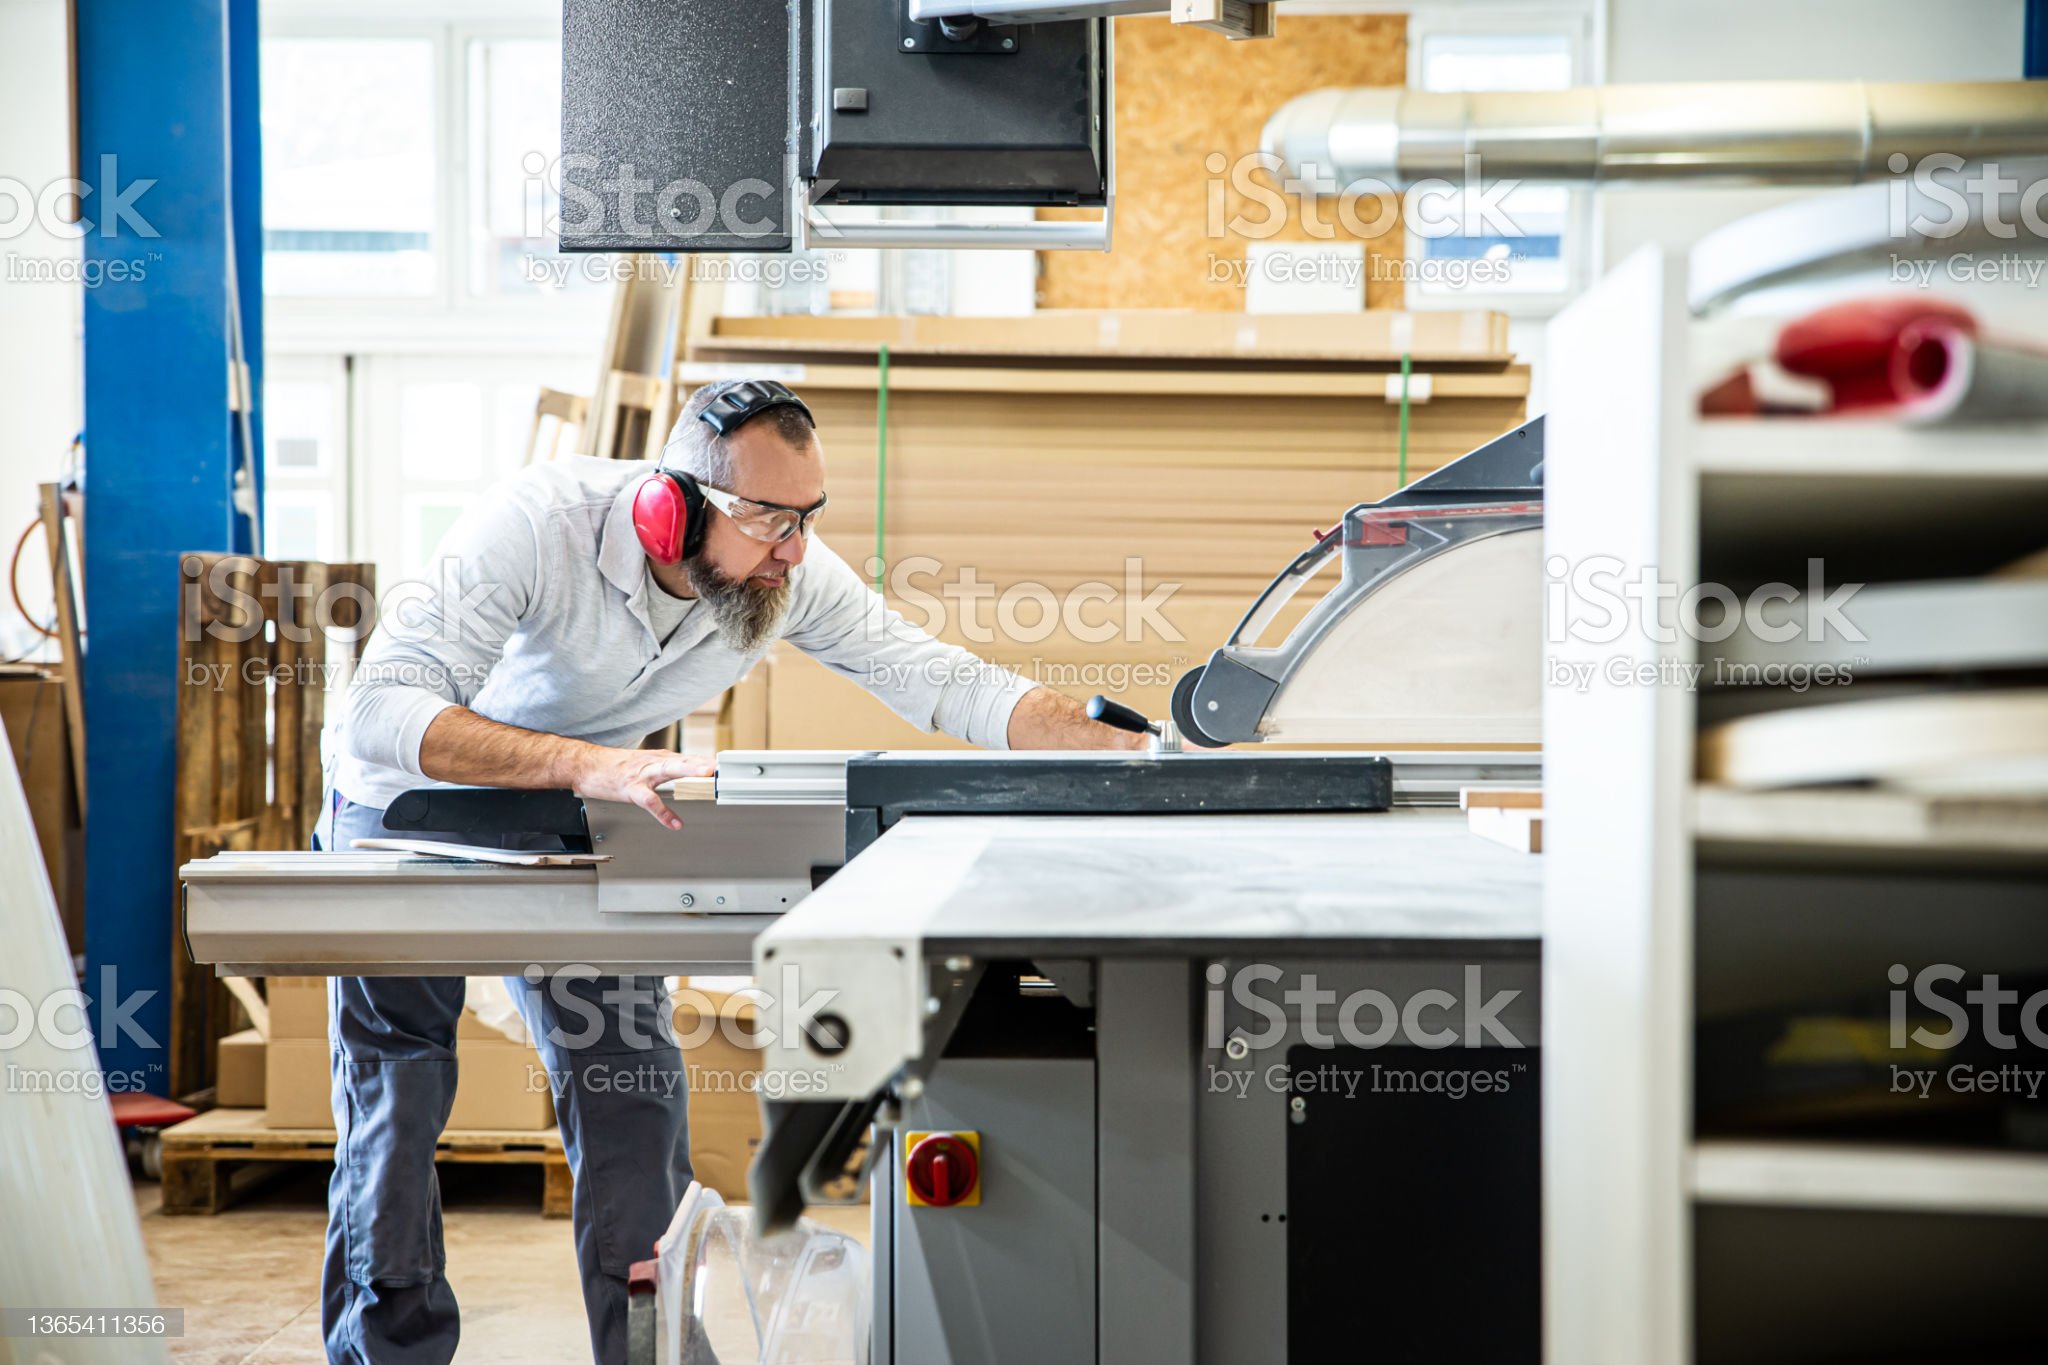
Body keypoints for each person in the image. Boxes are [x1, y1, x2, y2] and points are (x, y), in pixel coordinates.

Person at [315, 378, 1141, 1364]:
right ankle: (387, 1352)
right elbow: (381, 711)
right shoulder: (534, 525)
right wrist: (593, 762)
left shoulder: (780, 569)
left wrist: (1122, 749)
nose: (791, 550)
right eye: (766, 520)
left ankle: (648, 1350)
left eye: (806, 518)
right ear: (671, 510)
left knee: (630, 1093)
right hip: (407, 803)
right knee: (400, 1099)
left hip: (591, 806)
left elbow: (936, 678)